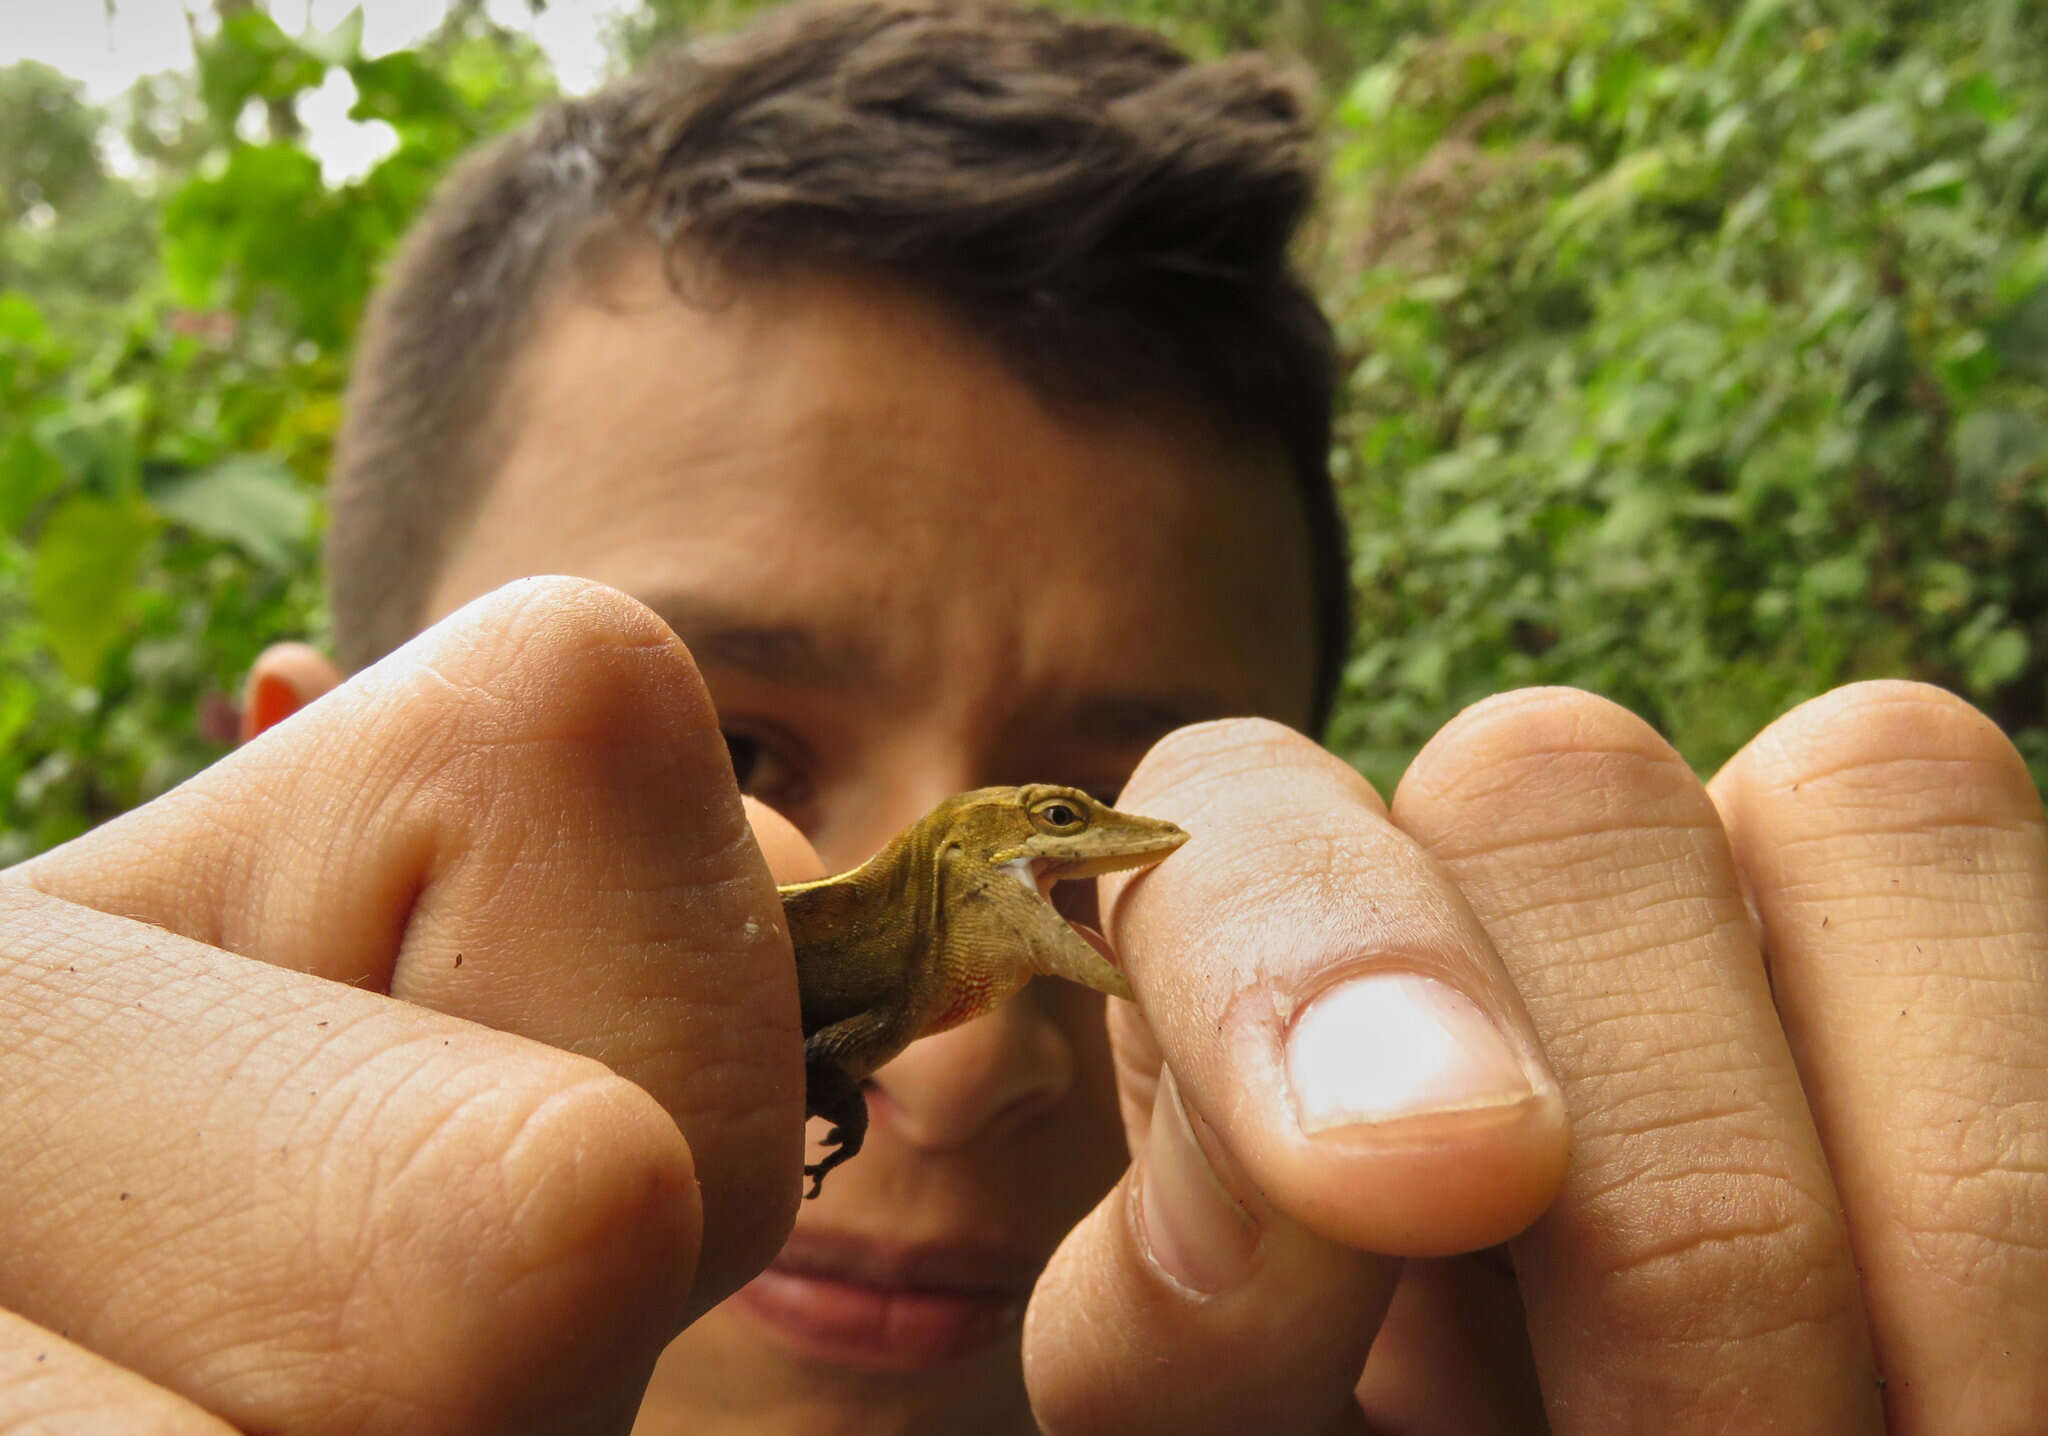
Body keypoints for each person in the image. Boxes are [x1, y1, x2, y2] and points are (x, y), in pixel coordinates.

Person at [3, 1, 2043, 1431]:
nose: (969, 1095)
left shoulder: (1404, 1362)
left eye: (1152, 785)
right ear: (286, 779)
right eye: (720, 758)